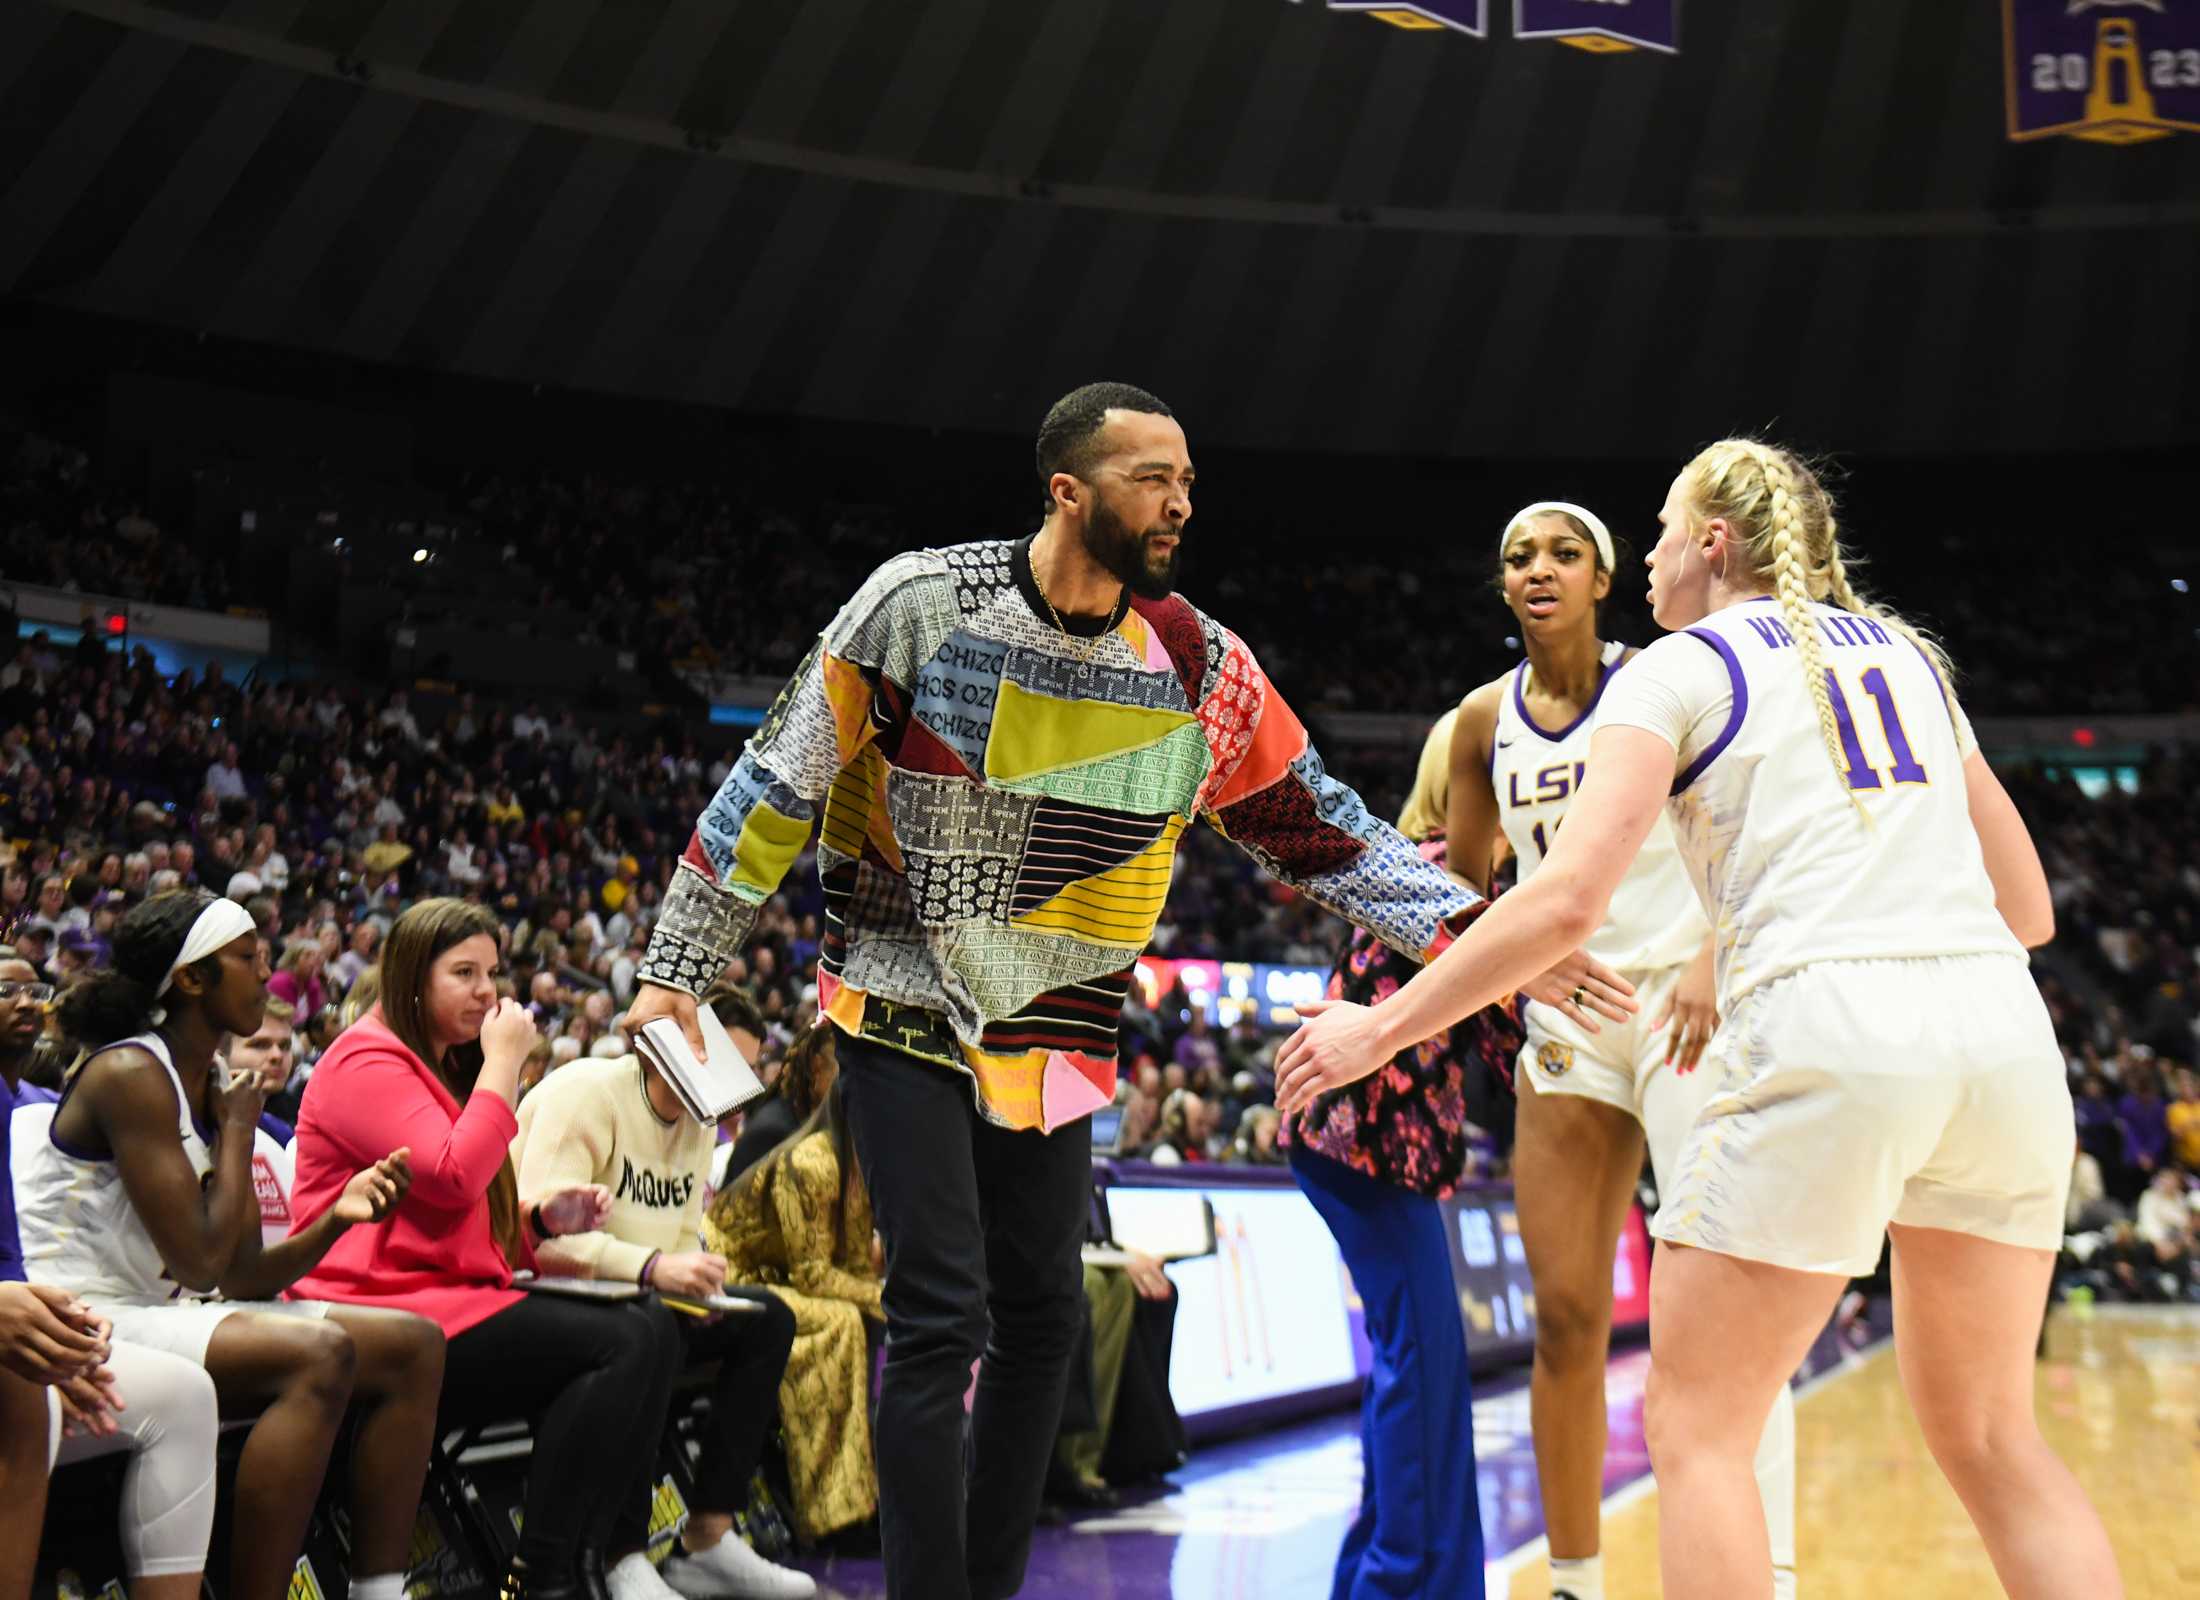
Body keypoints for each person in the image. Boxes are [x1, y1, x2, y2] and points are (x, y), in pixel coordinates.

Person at [626, 382, 1633, 1598]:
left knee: (1045, 1315)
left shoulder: (1197, 663)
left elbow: (1330, 833)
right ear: (1068, 490)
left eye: (1189, 482)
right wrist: (676, 966)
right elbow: (778, 778)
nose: (1180, 503)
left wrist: (1497, 938)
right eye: (1154, 479)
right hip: (896, 991)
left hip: (1057, 1026)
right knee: (943, 1313)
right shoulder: (917, 604)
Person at [1277, 439, 2122, 1599]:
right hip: (2002, 1042)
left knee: (1699, 1426)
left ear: (1712, 542)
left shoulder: (1673, 671)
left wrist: (1376, 1029)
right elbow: (2027, 910)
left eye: (1663, 530)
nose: (1654, 553)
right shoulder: (1911, 661)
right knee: (1991, 1437)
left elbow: (1563, 899)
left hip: (1827, 1024)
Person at [1429, 499, 1794, 1600]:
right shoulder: (1481, 722)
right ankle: (1572, 1582)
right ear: (1502, 587)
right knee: (1568, 1316)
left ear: (1603, 577)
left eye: (1561, 553)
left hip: (1687, 1009)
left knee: (1728, 1315)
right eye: (1515, 555)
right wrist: (1510, 971)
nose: (1536, 568)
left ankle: (1765, 1573)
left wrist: (1714, 954)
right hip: (1570, 1028)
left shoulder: (1672, 671)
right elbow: (1457, 882)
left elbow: (1759, 823)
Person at [15, 893, 443, 1600]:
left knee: (414, 1345)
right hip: (81, 1311)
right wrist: (238, 1130)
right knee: (319, 1354)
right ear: (190, 979)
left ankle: (380, 1589)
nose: (266, 974)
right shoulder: (131, 1074)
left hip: (162, 1310)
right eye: (248, 958)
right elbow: (201, 1263)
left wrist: (337, 1218)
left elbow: (242, 1276)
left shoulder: (209, 1083)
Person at [287, 897, 681, 1600]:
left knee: (651, 1323)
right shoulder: (364, 1062)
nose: (486, 991)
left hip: (444, 1296)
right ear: (411, 979)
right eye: (462, 973)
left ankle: (602, 1554)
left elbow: (463, 1216)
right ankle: (545, 1576)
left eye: (492, 972)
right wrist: (504, 1062)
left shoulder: (439, 1064)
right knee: (617, 1343)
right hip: (373, 1307)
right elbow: (450, 1176)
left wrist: (539, 1226)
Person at [1279, 712, 1526, 1599]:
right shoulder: (1434, 877)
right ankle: (1406, 1583)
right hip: (1368, 1151)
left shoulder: (1437, 875)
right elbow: (1509, 1021)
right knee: (1422, 1369)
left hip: (1362, 1152)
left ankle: (1376, 1574)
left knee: (1414, 1363)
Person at [512, 993, 813, 1599]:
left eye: (747, 1068)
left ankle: (708, 1535)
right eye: (725, 1059)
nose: (733, 1084)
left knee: (767, 1317)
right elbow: (537, 1241)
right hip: (554, 1292)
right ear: (675, 1044)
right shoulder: (586, 1093)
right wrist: (653, 1269)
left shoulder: (699, 1119)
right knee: (652, 1323)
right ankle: (623, 1550)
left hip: (639, 1289)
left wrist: (698, 1273)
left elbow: (678, 1233)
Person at [701, 1076, 883, 1548]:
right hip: (731, 1274)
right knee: (838, 1322)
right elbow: (814, 1276)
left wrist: (884, 1301)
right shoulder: (814, 1161)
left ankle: (864, 1498)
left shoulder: (861, 1164)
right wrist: (885, 1299)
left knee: (869, 1317)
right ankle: (829, 1516)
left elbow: (858, 1267)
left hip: (778, 1277)